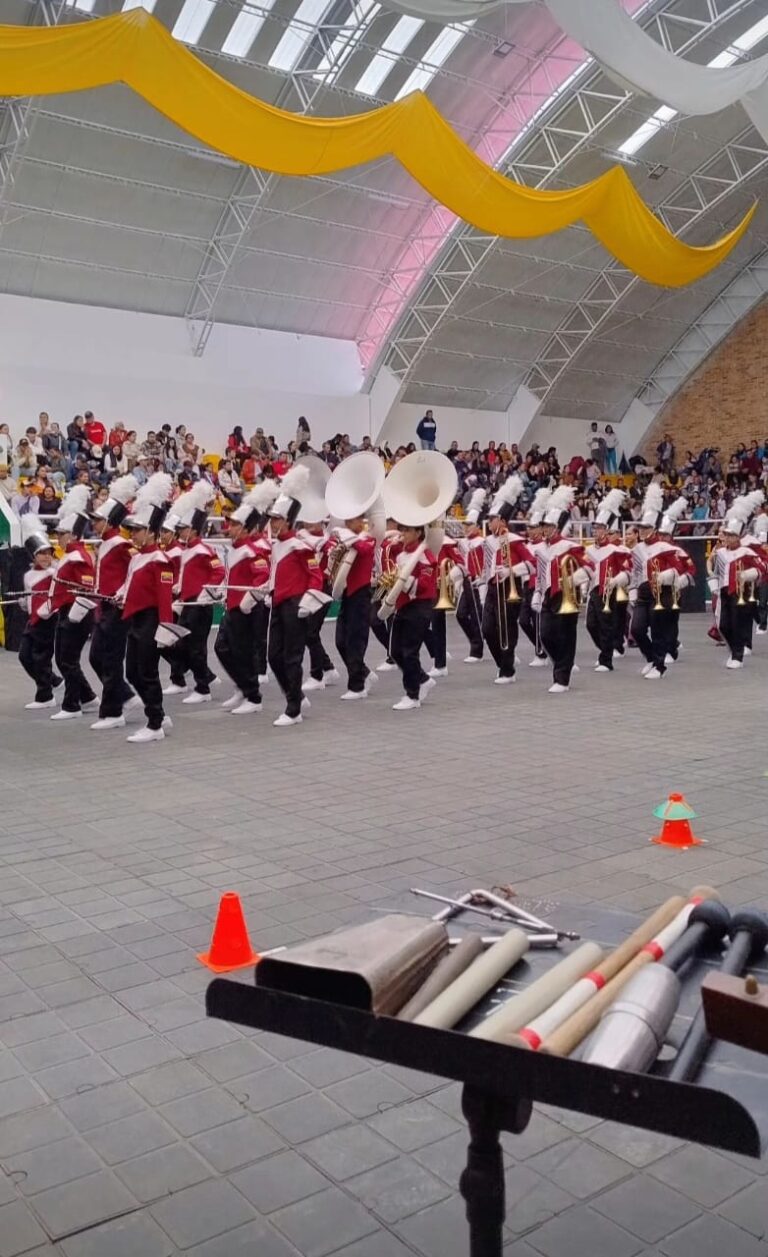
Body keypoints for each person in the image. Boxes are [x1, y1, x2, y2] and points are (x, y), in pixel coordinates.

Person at [120, 473, 176, 743]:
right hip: (136, 619)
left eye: (137, 530)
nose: (132, 534)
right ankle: (159, 714)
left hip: (152, 620)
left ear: (151, 532)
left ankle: (155, 724)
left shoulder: (159, 559)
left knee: (147, 672)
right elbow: (132, 585)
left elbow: (164, 596)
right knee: (132, 672)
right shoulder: (138, 557)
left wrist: (165, 626)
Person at [215, 483, 277, 715]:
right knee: (223, 648)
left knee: (241, 651)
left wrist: (249, 599)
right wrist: (223, 591)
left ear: (244, 528)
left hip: (246, 610)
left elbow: (262, 578)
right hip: (232, 608)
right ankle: (244, 687)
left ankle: (253, 696)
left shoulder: (253, 550)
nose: (229, 528)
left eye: (233, 525)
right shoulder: (235, 549)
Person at [87, 475, 140, 730]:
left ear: (108, 521)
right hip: (103, 606)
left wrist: (122, 591)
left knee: (109, 659)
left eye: (97, 519)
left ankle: (113, 712)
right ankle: (126, 695)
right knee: (96, 656)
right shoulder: (106, 543)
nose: (94, 523)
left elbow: (137, 569)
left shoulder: (121, 544)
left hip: (116, 609)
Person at [163, 483, 223, 704]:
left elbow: (219, 571)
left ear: (194, 531)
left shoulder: (203, 549)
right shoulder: (187, 550)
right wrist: (179, 592)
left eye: (184, 529)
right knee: (183, 645)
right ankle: (199, 680)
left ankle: (203, 688)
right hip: (188, 603)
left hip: (200, 605)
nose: (180, 533)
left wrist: (207, 592)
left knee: (196, 647)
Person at [266, 466, 313, 726]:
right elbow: (276, 572)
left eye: (276, 519)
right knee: (273, 656)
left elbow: (316, 576)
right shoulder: (277, 545)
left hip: (296, 605)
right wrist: (268, 589)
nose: (272, 523)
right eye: (272, 519)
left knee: (292, 658)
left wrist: (309, 600)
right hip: (278, 603)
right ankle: (295, 694)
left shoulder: (300, 546)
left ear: (286, 521)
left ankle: (294, 709)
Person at [536, 486, 593, 693]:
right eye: (542, 526)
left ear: (556, 528)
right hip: (547, 596)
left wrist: (570, 580)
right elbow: (540, 573)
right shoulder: (541, 548)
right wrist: (537, 593)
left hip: (566, 596)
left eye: (547, 526)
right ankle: (561, 664)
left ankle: (562, 678)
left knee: (566, 636)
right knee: (546, 635)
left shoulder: (570, 546)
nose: (544, 530)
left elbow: (589, 567)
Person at [48, 485, 98, 720]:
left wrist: (74, 616)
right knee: (63, 658)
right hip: (67, 610)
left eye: (61, 534)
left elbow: (87, 587)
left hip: (77, 612)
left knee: (67, 659)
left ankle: (72, 705)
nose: (58, 538)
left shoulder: (79, 555)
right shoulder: (70, 554)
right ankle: (87, 697)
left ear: (73, 535)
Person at [481, 476, 534, 685]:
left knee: (507, 630)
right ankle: (501, 664)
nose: (489, 522)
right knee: (487, 629)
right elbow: (488, 565)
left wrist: (511, 571)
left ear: (502, 520)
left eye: (492, 518)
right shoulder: (489, 541)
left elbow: (531, 564)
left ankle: (508, 669)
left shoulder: (514, 540)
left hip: (509, 588)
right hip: (493, 588)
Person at [325, 509, 377, 700]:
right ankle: (363, 673)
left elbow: (364, 549)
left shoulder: (368, 538)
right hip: (347, 593)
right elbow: (330, 555)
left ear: (361, 521)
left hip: (361, 594)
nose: (348, 523)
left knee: (355, 641)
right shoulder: (345, 539)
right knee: (340, 641)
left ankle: (357, 687)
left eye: (352, 519)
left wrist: (348, 538)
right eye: (347, 520)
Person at [385, 522, 438, 710]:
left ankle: (412, 695)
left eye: (407, 530)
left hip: (419, 606)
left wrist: (401, 578)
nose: (403, 534)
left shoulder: (425, 556)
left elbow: (423, 585)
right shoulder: (400, 555)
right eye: (402, 530)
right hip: (402, 606)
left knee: (409, 651)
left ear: (418, 532)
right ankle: (423, 679)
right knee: (394, 651)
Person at [712, 495, 766, 670]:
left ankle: (738, 655)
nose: (726, 539)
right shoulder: (720, 553)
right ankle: (735, 648)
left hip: (740, 592)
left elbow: (763, 567)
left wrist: (751, 574)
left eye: (730, 536)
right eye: (725, 536)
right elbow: (715, 571)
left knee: (737, 623)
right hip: (724, 592)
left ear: (738, 537)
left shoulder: (747, 551)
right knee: (723, 625)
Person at [584, 490, 631, 673]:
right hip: (593, 590)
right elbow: (586, 568)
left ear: (607, 530)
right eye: (595, 528)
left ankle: (606, 659)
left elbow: (628, 569)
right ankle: (606, 648)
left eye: (600, 528)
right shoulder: (589, 549)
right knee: (590, 624)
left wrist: (616, 580)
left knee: (606, 624)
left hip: (608, 589)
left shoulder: (616, 549)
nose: (596, 531)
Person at [18, 516, 61, 710]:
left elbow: (57, 597)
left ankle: (45, 695)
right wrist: (25, 603)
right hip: (32, 620)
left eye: (48, 553)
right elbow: (31, 597)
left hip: (48, 620)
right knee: (24, 656)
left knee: (40, 657)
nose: (46, 557)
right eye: (41, 553)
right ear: (33, 556)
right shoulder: (28, 575)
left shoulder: (55, 574)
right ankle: (53, 680)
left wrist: (47, 610)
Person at [519, 487, 551, 668]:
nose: (530, 531)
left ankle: (541, 653)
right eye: (528, 528)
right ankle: (541, 648)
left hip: (538, 586)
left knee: (537, 620)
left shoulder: (544, 546)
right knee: (524, 621)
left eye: (533, 528)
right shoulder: (527, 545)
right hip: (526, 586)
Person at [455, 489, 486, 663]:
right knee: (461, 615)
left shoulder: (482, 542)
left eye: (469, 525)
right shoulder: (463, 542)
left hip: (478, 582)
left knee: (476, 616)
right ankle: (476, 640)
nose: (466, 528)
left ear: (476, 526)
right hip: (467, 581)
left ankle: (477, 651)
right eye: (464, 525)